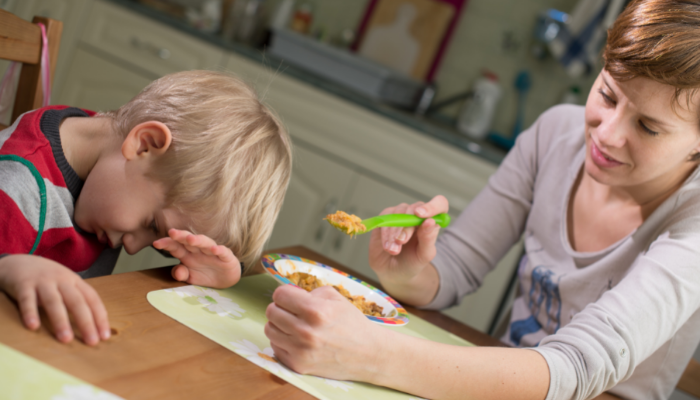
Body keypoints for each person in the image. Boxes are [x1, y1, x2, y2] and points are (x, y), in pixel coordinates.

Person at [263, 1, 700, 399]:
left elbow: (577, 369)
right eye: (607, 94)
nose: (605, 134)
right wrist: (410, 272)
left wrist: (371, 355)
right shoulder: (556, 135)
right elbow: (455, 269)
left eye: (648, 127)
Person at [0, 70, 292, 347]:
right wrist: (7, 267)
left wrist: (213, 273)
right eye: (153, 226)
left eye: (162, 247)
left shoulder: (103, 149)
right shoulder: (19, 187)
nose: (133, 248)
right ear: (145, 145)